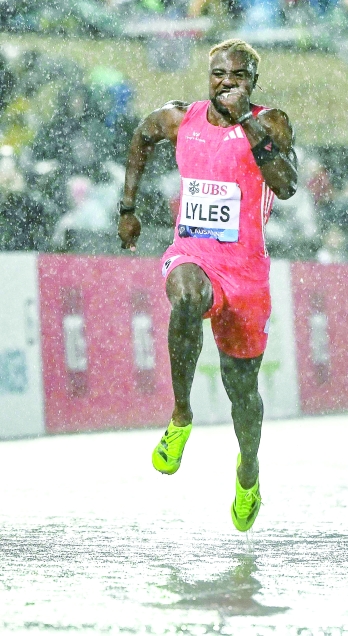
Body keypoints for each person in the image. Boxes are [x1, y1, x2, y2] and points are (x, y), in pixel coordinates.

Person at [118, 39, 297, 532]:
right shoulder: (181, 118)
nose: (225, 82)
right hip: (192, 254)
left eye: (236, 75)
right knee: (187, 296)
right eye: (218, 73)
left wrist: (249, 123)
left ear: (252, 82)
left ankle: (248, 471)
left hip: (245, 274)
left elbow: (285, 183)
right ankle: (180, 416)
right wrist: (128, 207)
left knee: (243, 392)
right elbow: (140, 137)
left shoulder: (271, 122)